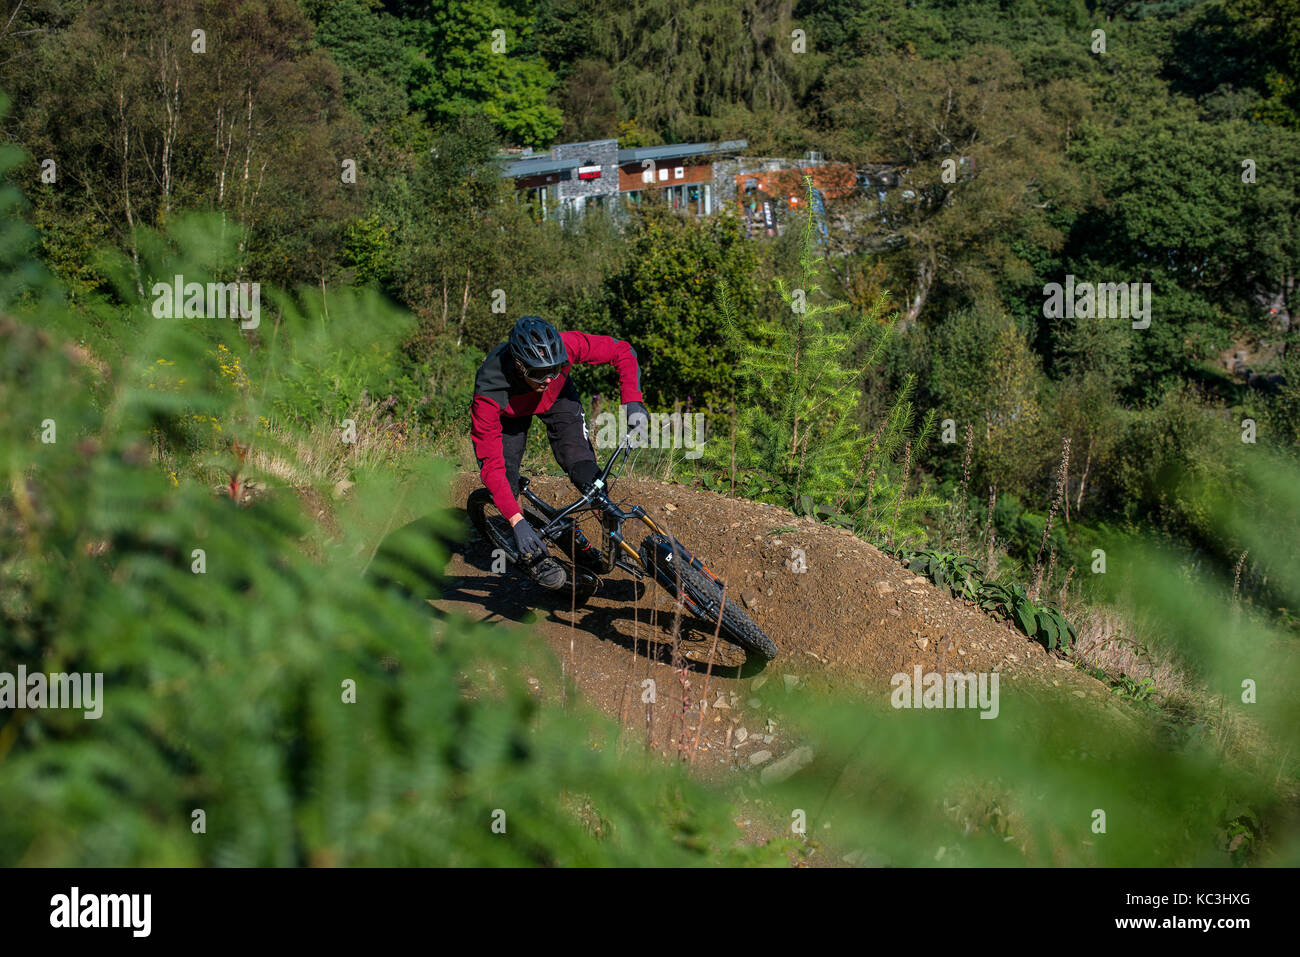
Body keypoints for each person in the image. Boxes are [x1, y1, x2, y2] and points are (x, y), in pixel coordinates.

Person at [470, 316, 648, 589]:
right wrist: (517, 521)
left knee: (583, 468)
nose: (548, 378)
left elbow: (622, 351)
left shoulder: (568, 346)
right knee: (505, 479)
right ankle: (531, 556)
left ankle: (610, 530)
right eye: (538, 373)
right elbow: (490, 464)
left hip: (559, 402)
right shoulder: (490, 389)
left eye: (554, 369)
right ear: (519, 365)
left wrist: (633, 402)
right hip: (509, 415)